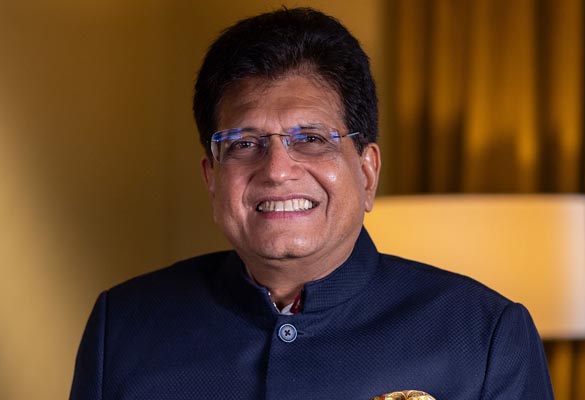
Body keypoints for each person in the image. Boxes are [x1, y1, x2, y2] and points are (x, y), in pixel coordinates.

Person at [70, 7, 554, 400]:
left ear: (367, 171)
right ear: (211, 179)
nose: (277, 170)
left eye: (312, 139)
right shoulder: (124, 326)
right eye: (244, 143)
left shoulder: (483, 335)